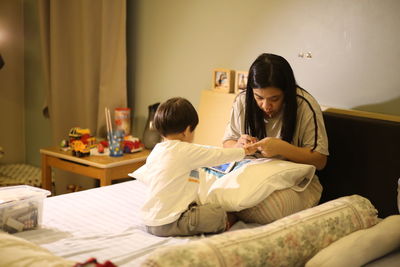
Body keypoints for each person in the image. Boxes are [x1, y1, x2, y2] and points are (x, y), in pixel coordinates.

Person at [132, 97, 256, 237]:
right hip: (170, 222)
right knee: (216, 213)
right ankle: (227, 221)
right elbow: (216, 155)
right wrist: (244, 151)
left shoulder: (157, 151)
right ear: (186, 131)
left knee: (199, 207)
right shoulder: (184, 150)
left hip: (149, 221)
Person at [223, 53, 329, 170]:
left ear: (286, 92)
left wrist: (282, 148)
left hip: (290, 177)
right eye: (259, 97)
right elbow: (227, 143)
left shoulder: (305, 105)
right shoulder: (242, 100)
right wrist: (238, 146)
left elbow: (320, 161)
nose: (266, 106)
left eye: (274, 99)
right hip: (249, 170)